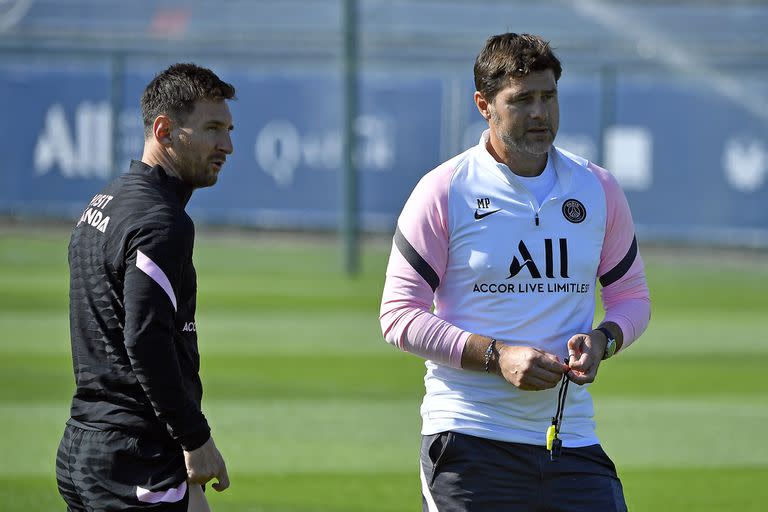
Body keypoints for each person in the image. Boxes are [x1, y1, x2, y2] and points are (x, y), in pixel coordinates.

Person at [380, 33, 651, 511]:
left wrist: (603, 339)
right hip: (468, 442)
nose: (540, 113)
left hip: (572, 441)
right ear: (484, 105)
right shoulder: (444, 190)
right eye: (522, 100)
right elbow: (399, 316)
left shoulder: (597, 188)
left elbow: (631, 297)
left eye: (548, 96)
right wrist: (497, 356)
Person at [56, 63, 235, 512]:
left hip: (89, 443)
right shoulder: (162, 222)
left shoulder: (106, 200)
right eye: (213, 128)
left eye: (229, 129)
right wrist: (196, 439)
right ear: (165, 130)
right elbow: (145, 339)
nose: (227, 145)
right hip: (135, 456)